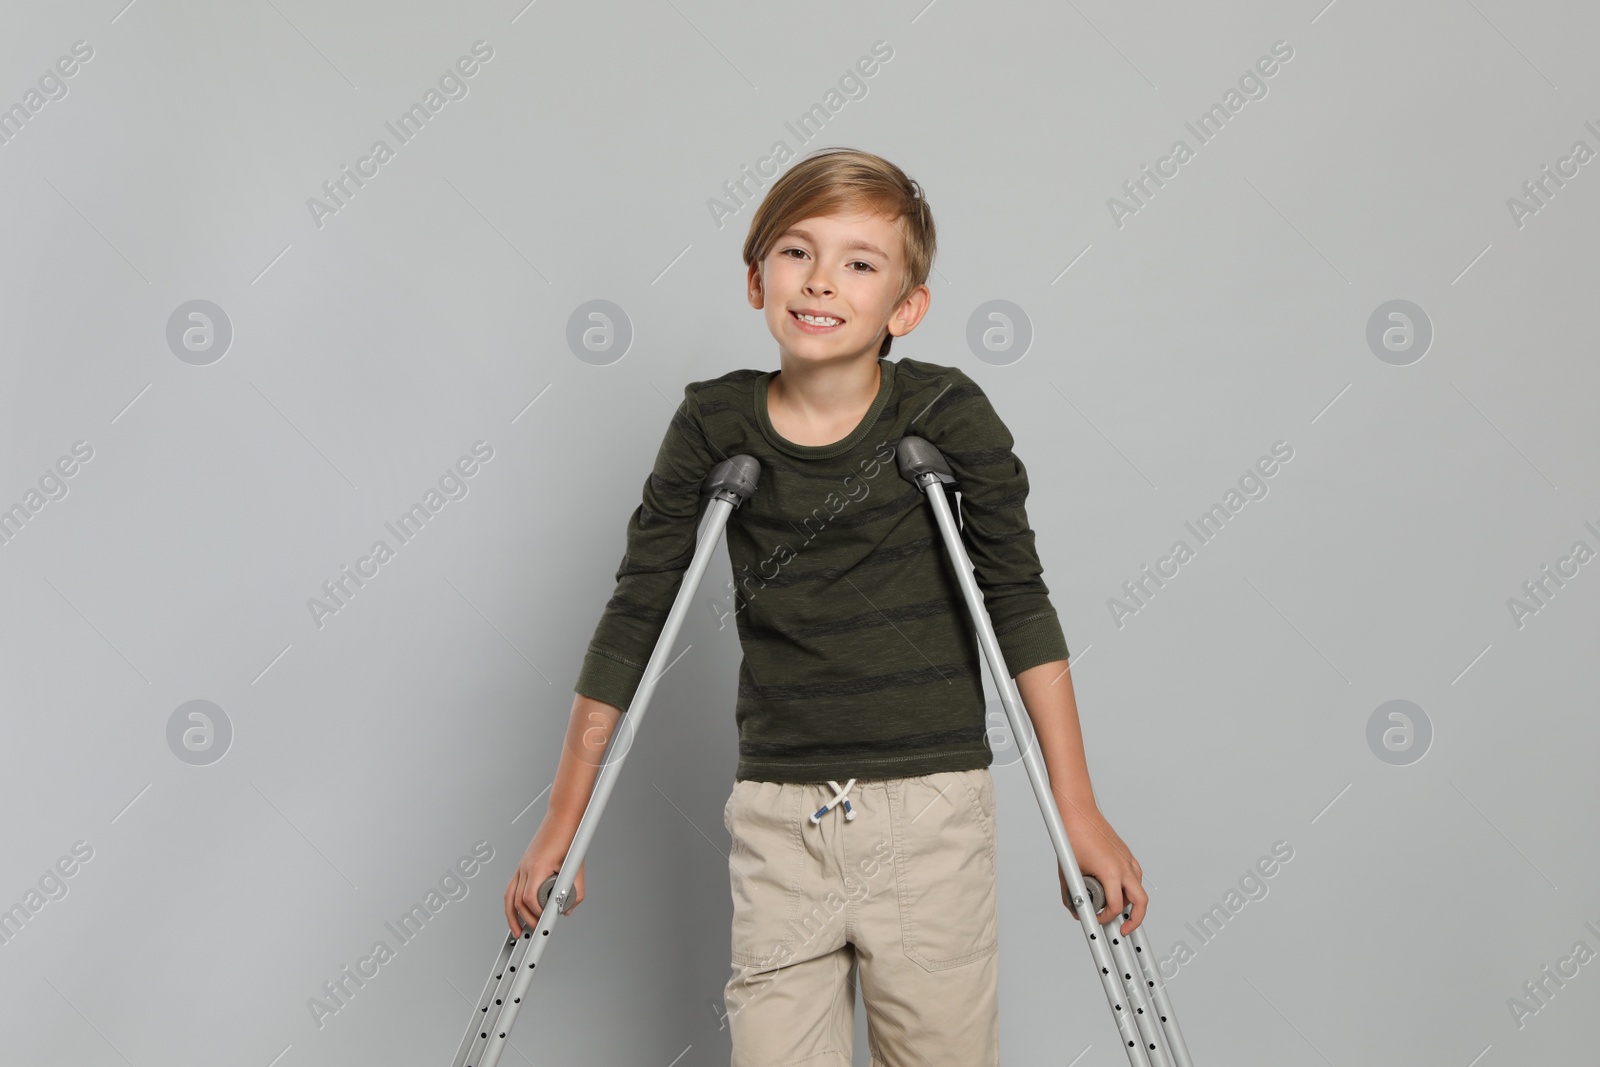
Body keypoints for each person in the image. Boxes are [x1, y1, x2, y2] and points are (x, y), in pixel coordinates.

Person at [504, 147, 1147, 1065]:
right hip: (780, 818)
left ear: (906, 306)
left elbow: (1018, 603)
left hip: (930, 813)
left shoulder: (947, 413)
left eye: (859, 262)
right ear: (755, 273)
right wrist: (561, 822)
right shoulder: (712, 424)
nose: (820, 281)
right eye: (797, 251)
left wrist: (1075, 809)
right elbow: (635, 618)